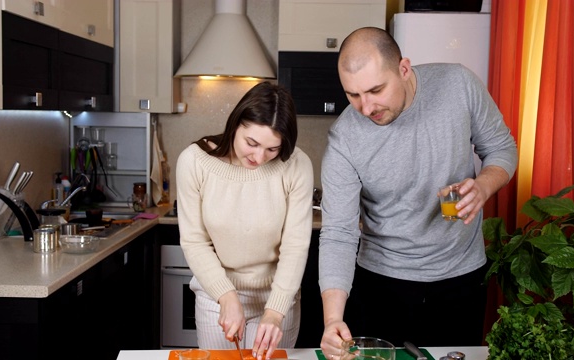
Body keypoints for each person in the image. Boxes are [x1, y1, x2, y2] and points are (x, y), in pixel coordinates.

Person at [318, 27, 519, 355]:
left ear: (404, 69)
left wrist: (483, 186)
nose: (366, 108)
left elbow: (501, 148)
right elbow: (338, 234)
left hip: (461, 279)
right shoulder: (345, 138)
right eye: (352, 95)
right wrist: (332, 320)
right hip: (381, 284)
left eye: (375, 90)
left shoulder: (458, 85)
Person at [176, 82, 314, 359]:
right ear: (235, 124)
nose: (259, 157)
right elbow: (194, 241)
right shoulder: (195, 161)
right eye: (251, 143)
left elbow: (295, 246)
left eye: (273, 149)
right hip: (217, 297)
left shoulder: (297, 165)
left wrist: (275, 313)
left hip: (277, 298)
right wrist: (226, 296)